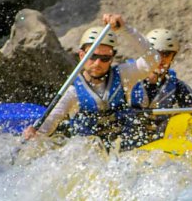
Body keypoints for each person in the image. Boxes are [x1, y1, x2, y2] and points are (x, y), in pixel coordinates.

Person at [21, 13, 154, 145]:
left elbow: (153, 59)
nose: (97, 63)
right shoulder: (72, 92)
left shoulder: (124, 76)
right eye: (92, 56)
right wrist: (34, 134)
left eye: (105, 58)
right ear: (81, 55)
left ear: (111, 58)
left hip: (121, 149)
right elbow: (47, 126)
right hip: (88, 154)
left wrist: (125, 29)